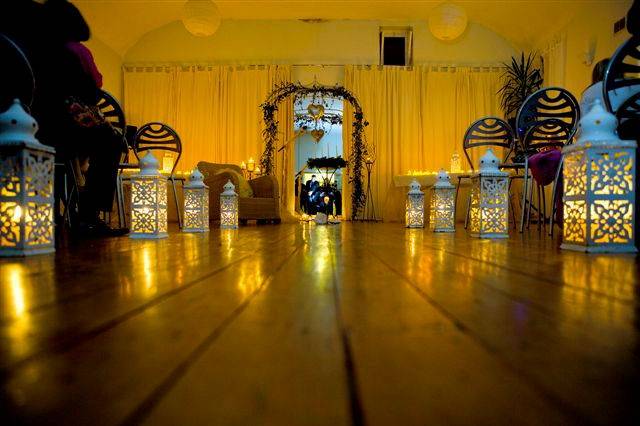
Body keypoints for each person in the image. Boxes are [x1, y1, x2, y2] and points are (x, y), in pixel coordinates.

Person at [33, 0, 126, 237]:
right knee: (111, 141)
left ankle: (60, 210)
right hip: (60, 127)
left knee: (68, 158)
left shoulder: (28, 47)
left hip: (31, 128)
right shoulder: (72, 53)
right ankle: (88, 215)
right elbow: (92, 90)